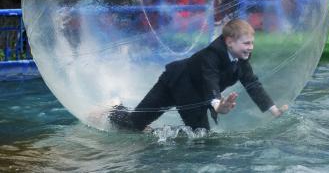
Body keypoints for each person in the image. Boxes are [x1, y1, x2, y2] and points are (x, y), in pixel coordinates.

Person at [108, 19, 287, 131]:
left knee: (202, 138)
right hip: (174, 83)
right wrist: (217, 105)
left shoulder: (241, 59)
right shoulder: (211, 55)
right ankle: (113, 109)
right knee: (133, 125)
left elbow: (252, 83)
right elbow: (210, 80)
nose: (251, 47)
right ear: (230, 42)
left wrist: (274, 110)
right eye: (246, 43)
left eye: (252, 43)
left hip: (194, 97)